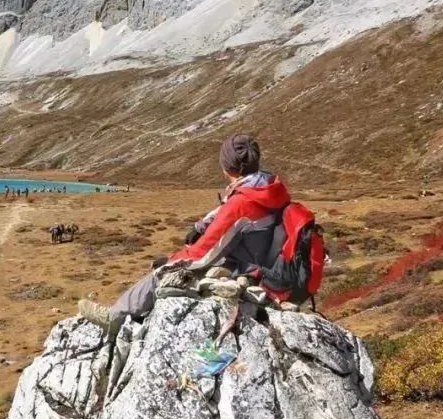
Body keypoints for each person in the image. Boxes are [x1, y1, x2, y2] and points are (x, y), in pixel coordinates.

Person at [78, 134, 291, 331]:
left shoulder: (241, 204)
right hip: (262, 260)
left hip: (244, 268)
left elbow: (204, 252)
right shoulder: (268, 186)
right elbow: (229, 211)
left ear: (226, 167)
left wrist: (170, 261)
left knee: (161, 274)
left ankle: (115, 316)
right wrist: (201, 225)